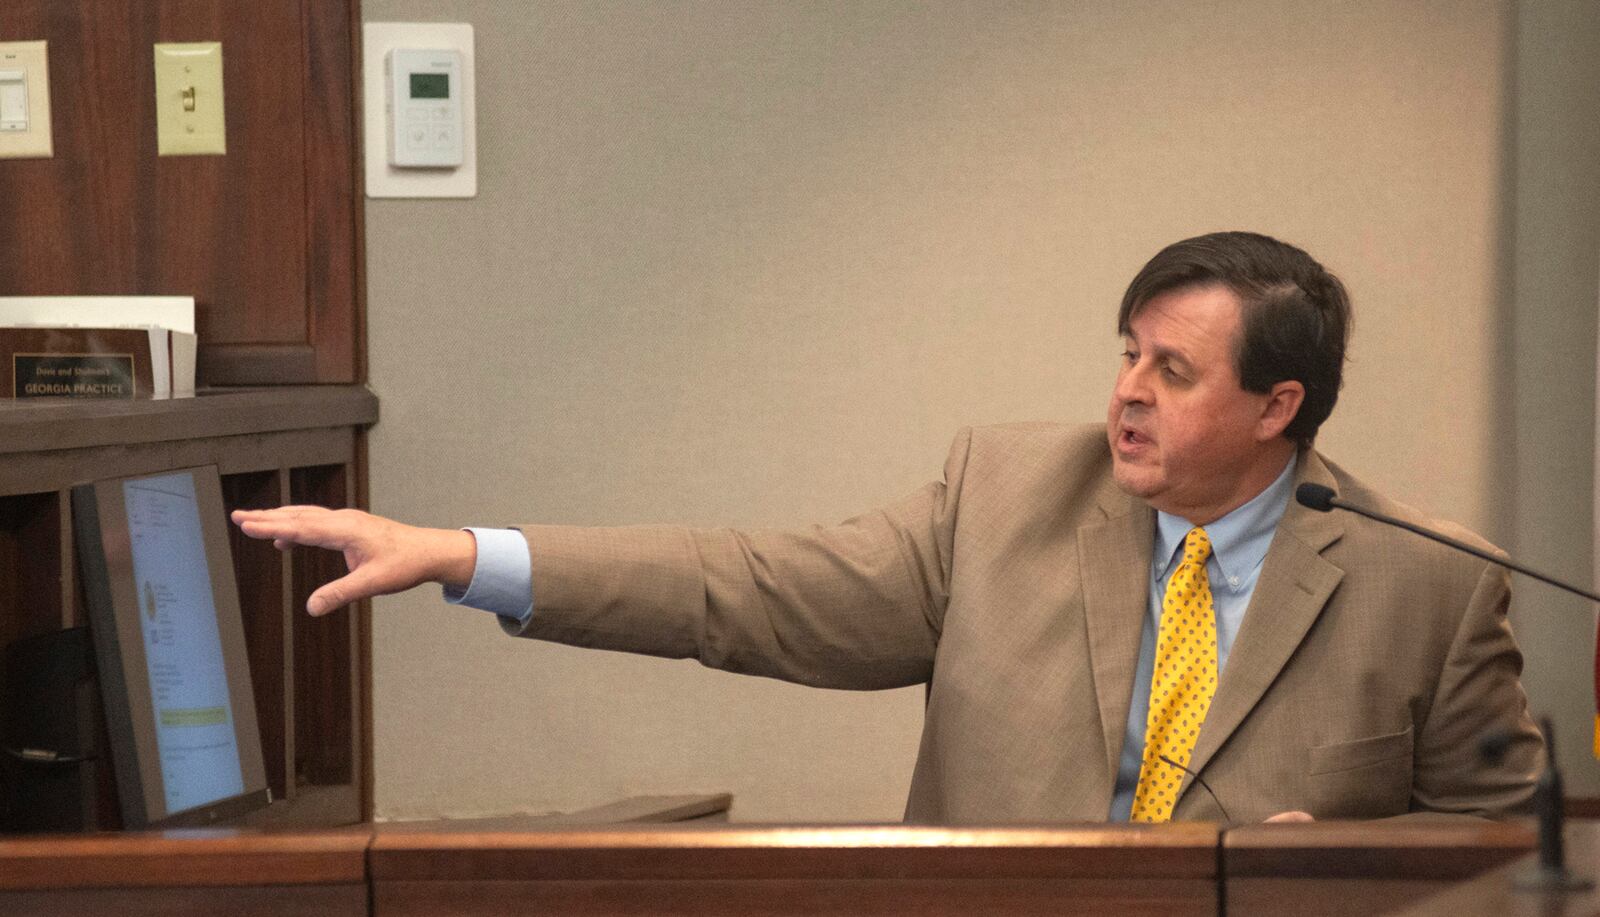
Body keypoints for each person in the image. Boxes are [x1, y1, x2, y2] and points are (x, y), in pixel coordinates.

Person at [234, 231, 1542, 824]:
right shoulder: (1009, 496)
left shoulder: (1428, 582)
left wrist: (1350, 863)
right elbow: (747, 585)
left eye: (1174, 373)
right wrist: (468, 553)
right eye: (1126, 354)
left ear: (1281, 405)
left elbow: (1508, 845)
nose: (1127, 395)